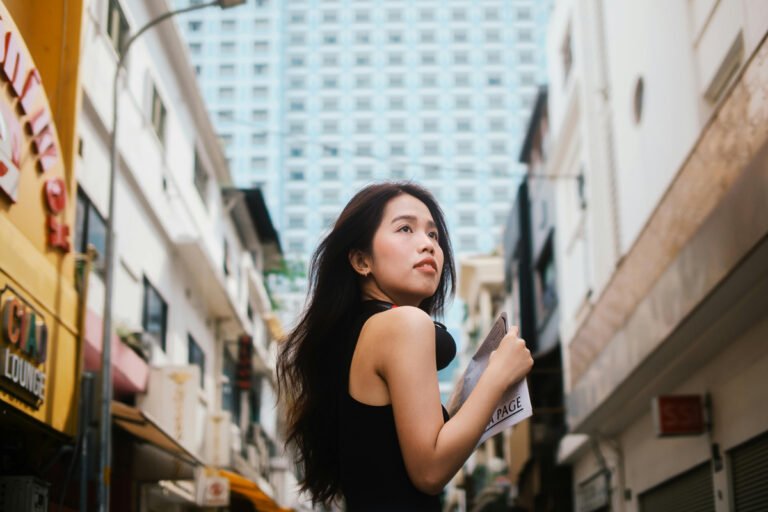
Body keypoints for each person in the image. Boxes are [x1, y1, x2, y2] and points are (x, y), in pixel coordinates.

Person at [277, 182, 533, 510]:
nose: (426, 244)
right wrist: (498, 376)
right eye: (405, 228)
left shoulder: (359, 335)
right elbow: (429, 471)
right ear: (361, 260)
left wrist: (457, 406)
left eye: (433, 235)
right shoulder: (404, 324)